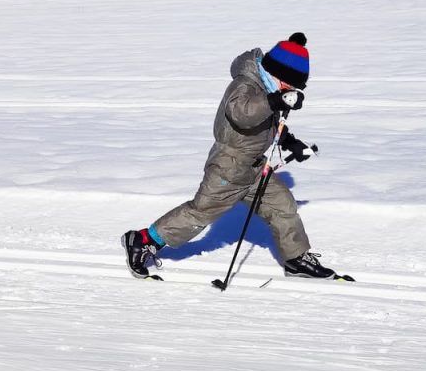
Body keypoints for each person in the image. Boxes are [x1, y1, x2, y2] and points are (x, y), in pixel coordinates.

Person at [122, 33, 339, 280]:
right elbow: (242, 114)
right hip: (228, 166)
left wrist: (291, 142)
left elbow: (268, 123)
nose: (290, 91)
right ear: (277, 75)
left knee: (282, 205)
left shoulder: (268, 89)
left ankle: (296, 258)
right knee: (200, 212)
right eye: (289, 86)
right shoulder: (245, 85)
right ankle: (142, 240)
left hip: (254, 166)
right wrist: (275, 100)